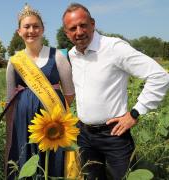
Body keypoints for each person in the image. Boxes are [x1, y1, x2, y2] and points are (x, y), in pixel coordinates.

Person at [62, 3, 169, 180]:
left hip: (114, 134)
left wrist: (135, 113)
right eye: (73, 28)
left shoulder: (113, 48)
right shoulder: (72, 54)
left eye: (83, 25)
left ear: (93, 24)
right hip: (84, 136)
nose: (79, 32)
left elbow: (159, 76)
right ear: (67, 33)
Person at [5, 4, 75, 179]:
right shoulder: (15, 61)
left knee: (52, 164)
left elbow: (69, 92)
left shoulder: (57, 55)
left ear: (43, 29)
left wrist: (53, 111)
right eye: (26, 27)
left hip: (54, 124)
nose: (31, 30)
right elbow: (9, 99)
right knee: (26, 162)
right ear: (19, 31)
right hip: (23, 124)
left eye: (36, 26)